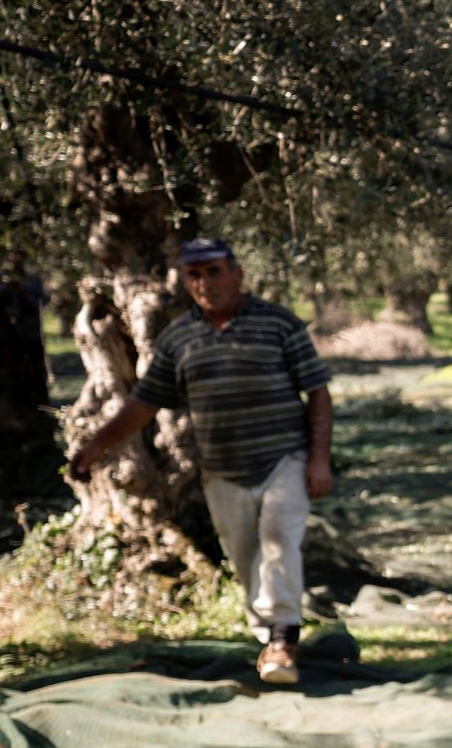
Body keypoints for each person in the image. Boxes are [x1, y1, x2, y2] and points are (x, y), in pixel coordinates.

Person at [67, 237, 334, 685]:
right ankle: (269, 638)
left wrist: (319, 459)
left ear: (237, 273)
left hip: (283, 457)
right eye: (194, 274)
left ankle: (284, 639)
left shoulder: (278, 325)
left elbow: (319, 393)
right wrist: (97, 445)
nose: (205, 282)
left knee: (278, 539)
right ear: (185, 282)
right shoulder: (178, 338)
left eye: (214, 271)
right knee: (245, 556)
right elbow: (143, 403)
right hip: (221, 469)